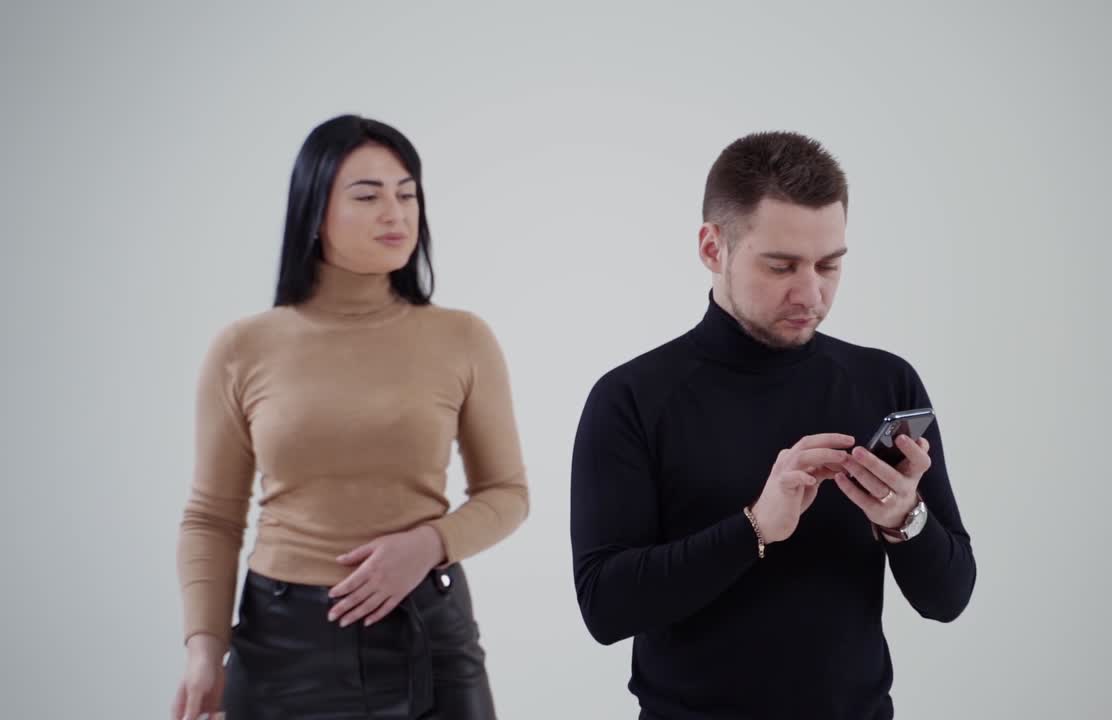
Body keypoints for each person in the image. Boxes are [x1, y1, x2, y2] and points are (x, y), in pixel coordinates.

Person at [570, 131, 976, 719]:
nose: (810, 293)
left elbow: (949, 598)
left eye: (829, 265)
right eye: (781, 265)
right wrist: (756, 526)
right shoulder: (630, 398)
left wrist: (901, 519)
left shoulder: (885, 382)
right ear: (713, 248)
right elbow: (604, 609)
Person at [172, 115, 529, 720]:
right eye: (367, 196)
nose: (396, 212)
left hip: (427, 636)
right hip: (282, 646)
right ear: (314, 211)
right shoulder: (243, 347)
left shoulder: (463, 338)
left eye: (407, 193)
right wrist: (204, 651)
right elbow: (211, 517)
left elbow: (508, 493)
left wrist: (429, 543)